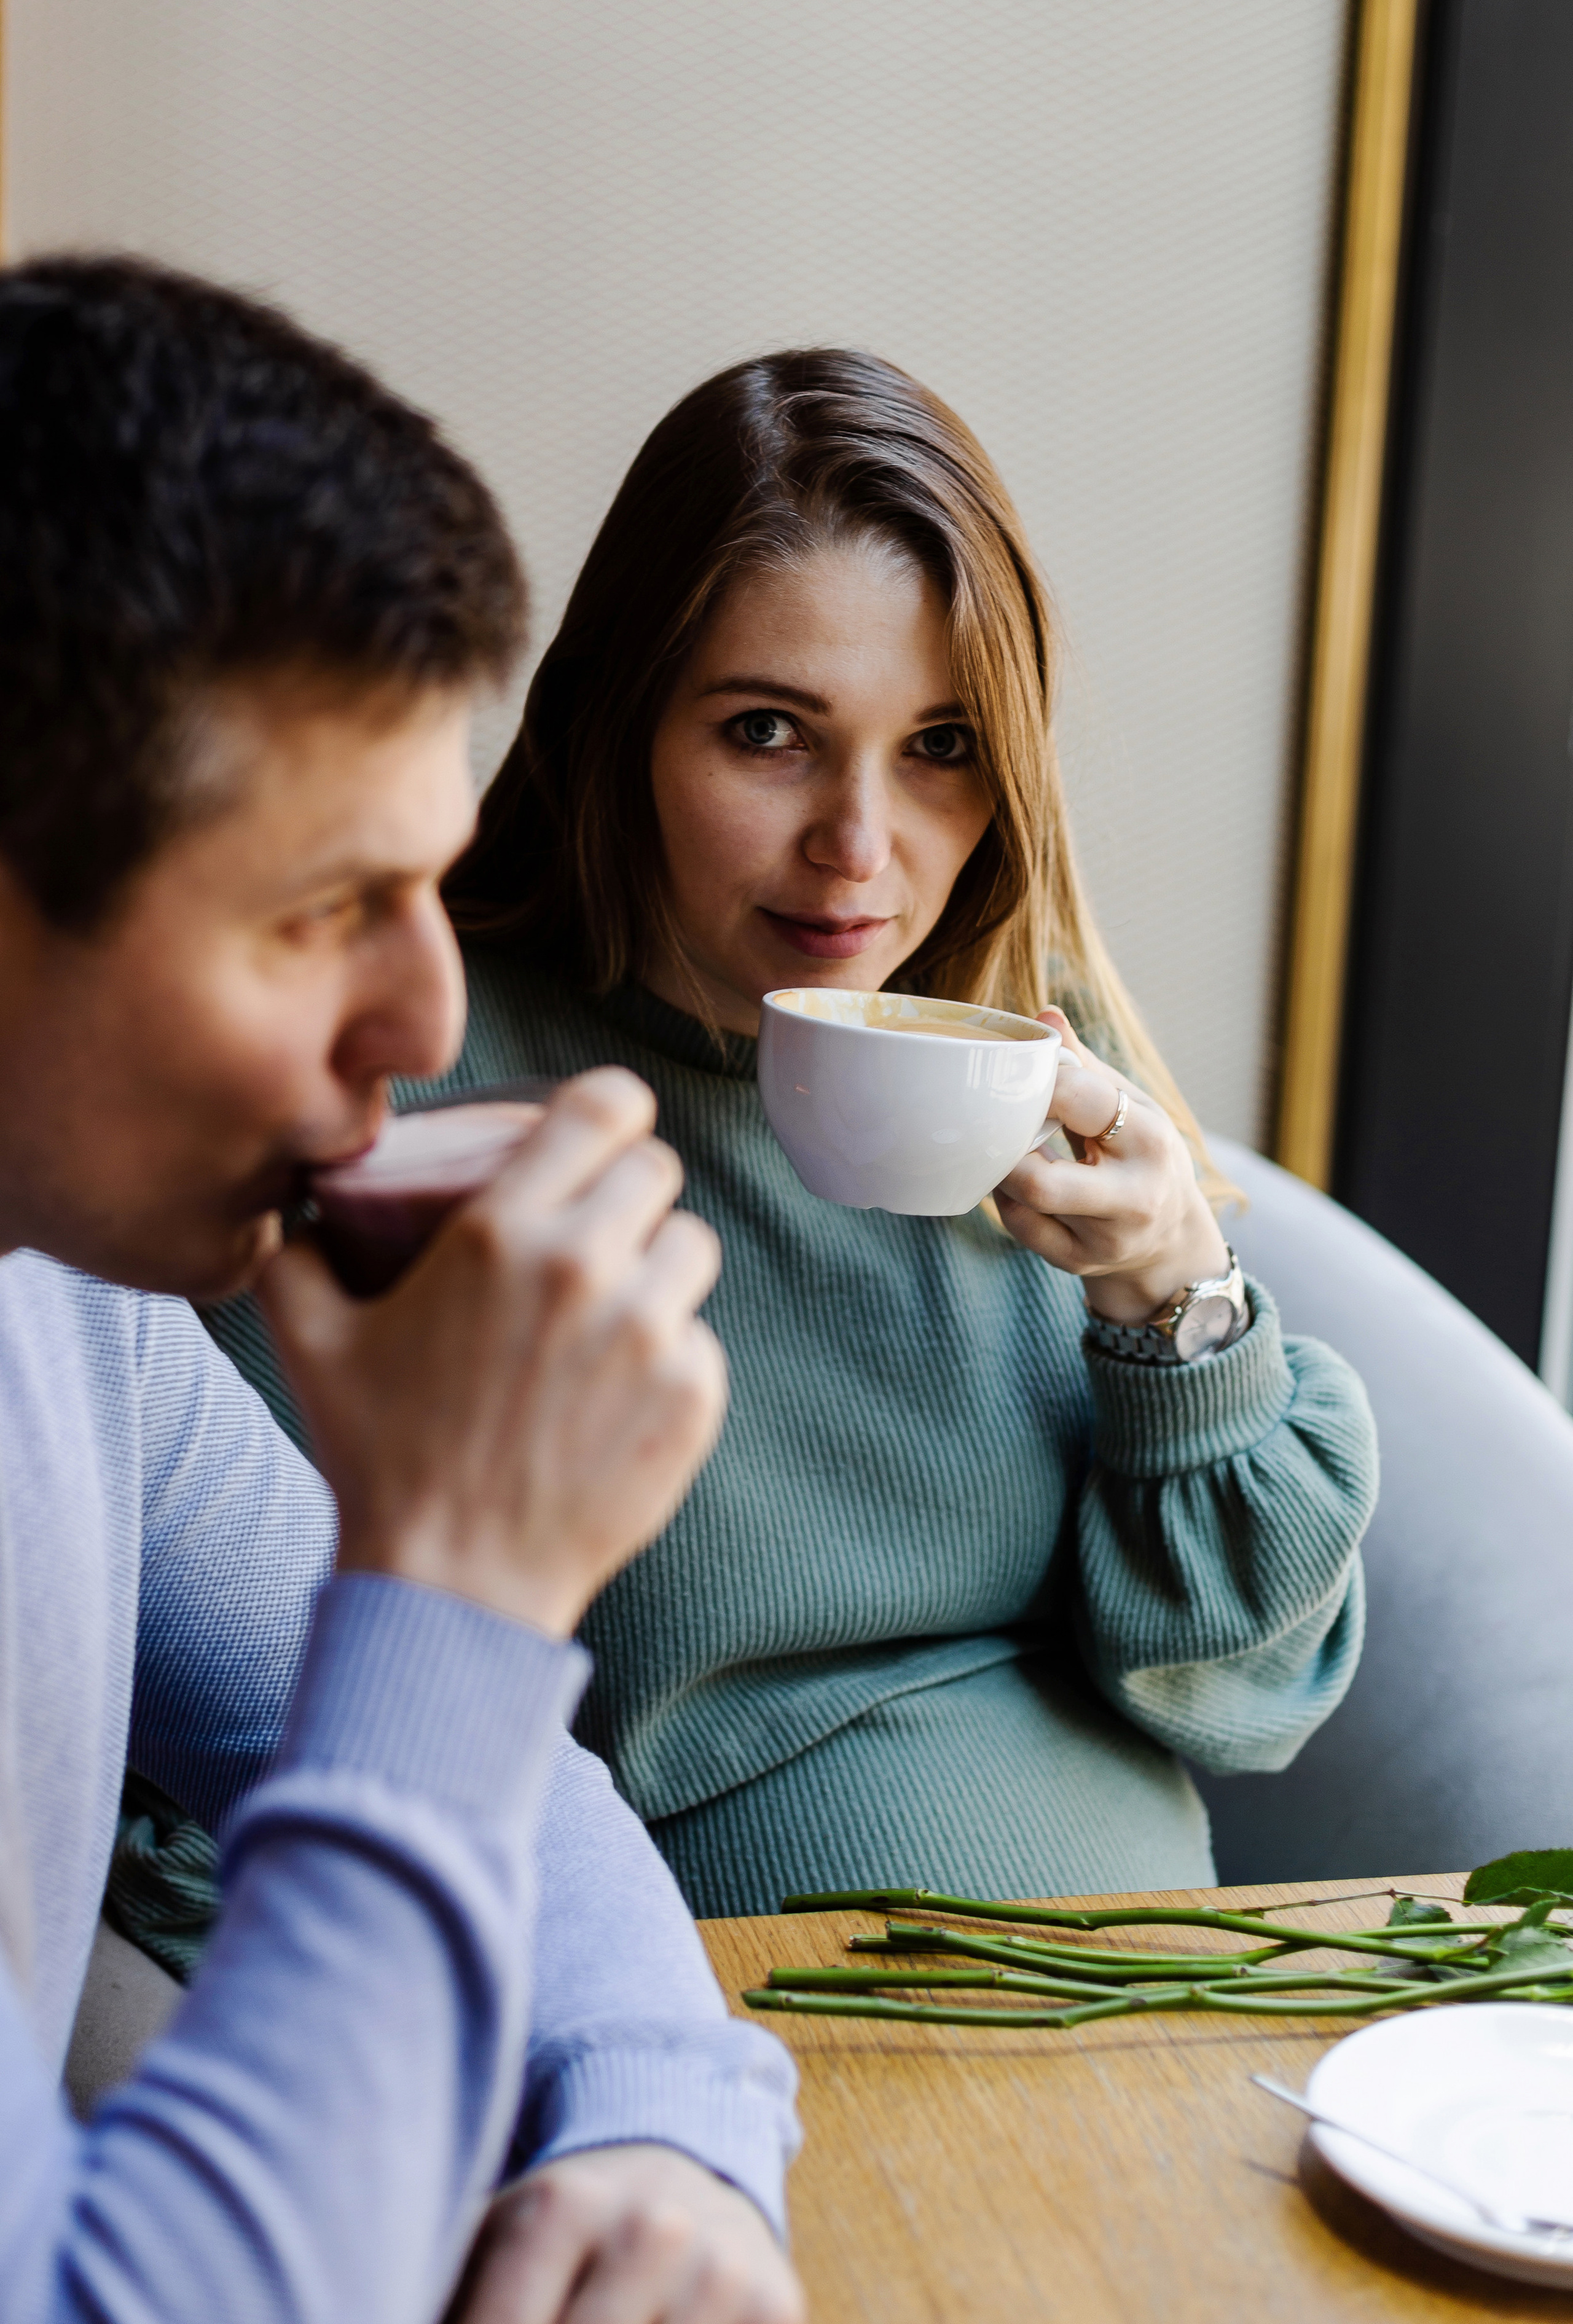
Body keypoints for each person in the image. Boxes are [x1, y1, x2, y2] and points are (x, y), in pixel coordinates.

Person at [212, 348, 1379, 1923]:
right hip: (727, 2059)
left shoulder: (1015, 1048)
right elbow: (248, 1701)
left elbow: (1239, 1695)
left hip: (1142, 2017)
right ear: (621, 724)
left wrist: (1180, 1302)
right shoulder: (417, 1087)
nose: (857, 850)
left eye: (941, 746)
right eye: (768, 733)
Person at [0, 256, 802, 2324]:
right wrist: (454, 1587)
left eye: (430, 890)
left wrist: (660, 2126)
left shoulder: (62, 1303)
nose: (428, 1016)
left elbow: (491, 1786)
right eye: (326, 912)